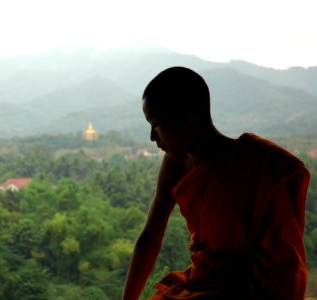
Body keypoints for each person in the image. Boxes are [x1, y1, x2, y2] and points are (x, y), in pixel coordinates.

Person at [122, 67, 310, 300]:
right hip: (202, 284)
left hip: (251, 290)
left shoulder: (263, 167)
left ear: (184, 118)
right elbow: (151, 235)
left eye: (156, 124)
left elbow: (283, 263)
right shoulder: (176, 163)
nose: (152, 136)